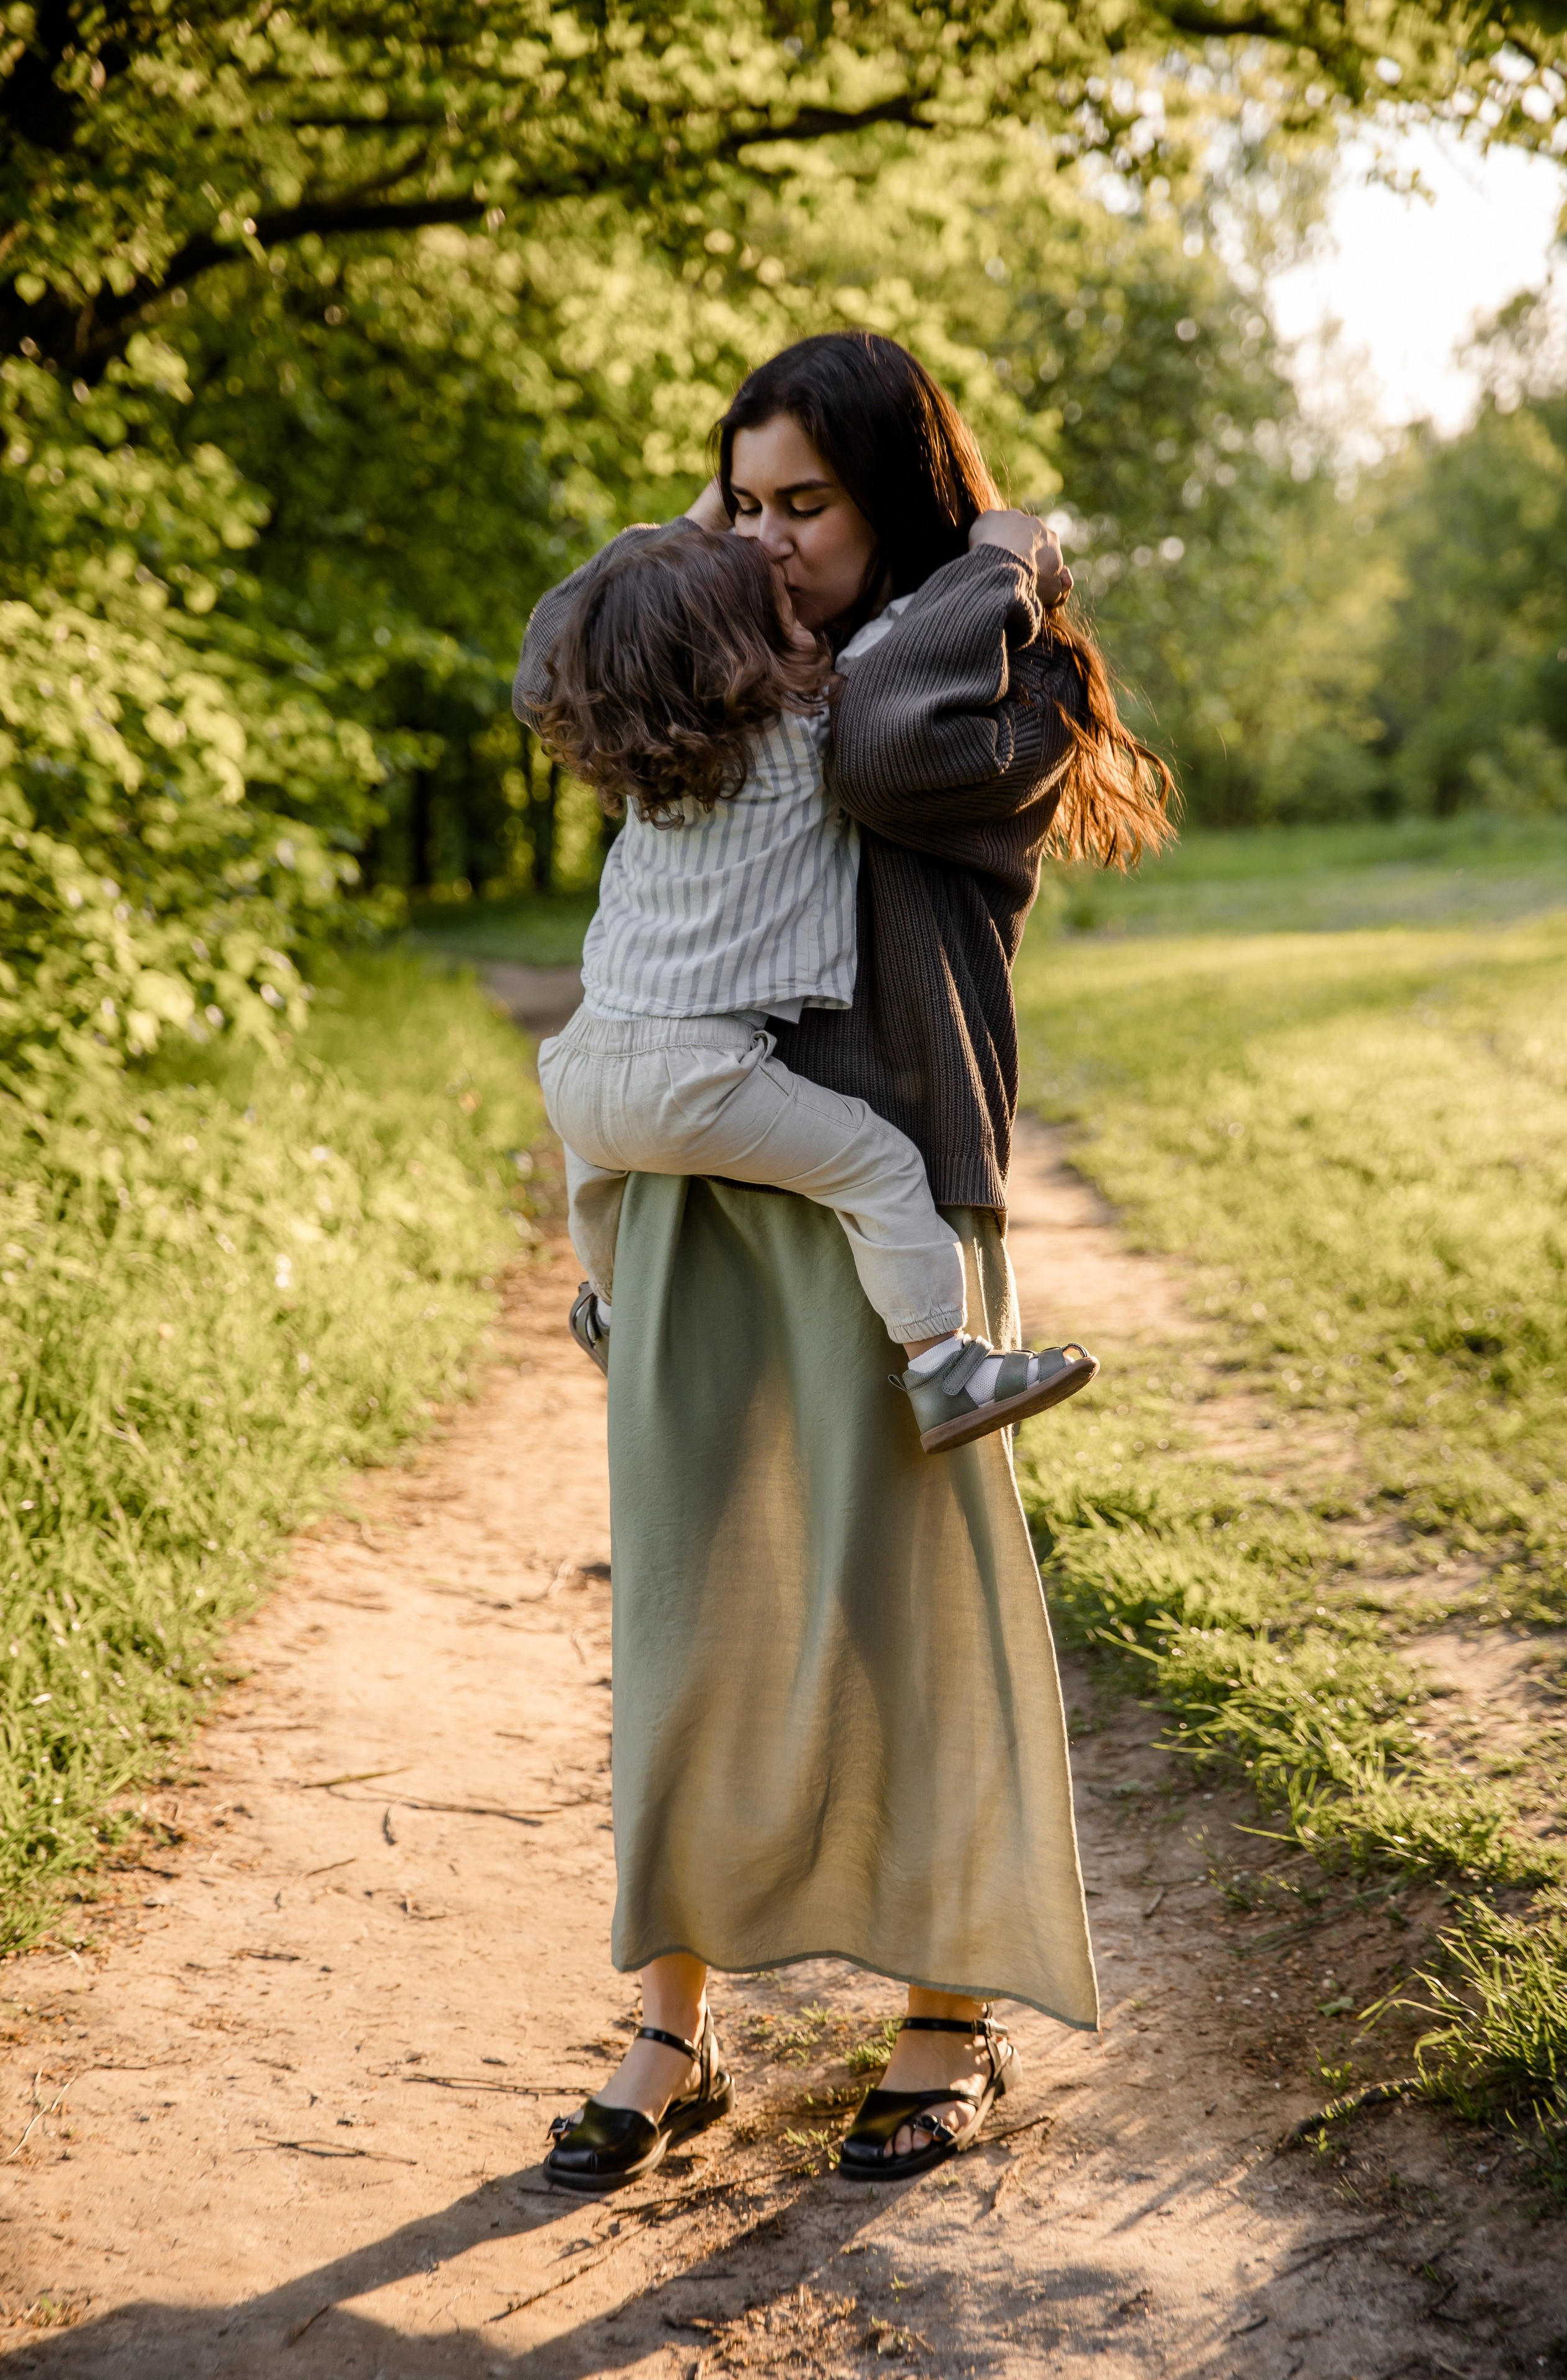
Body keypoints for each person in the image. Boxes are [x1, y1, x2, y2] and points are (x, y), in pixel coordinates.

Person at [512, 329, 1174, 2193]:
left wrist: (1004, 563)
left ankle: (945, 2016)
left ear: (901, 506)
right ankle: (674, 2024)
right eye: (741, 501)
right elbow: (592, 648)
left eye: (806, 504)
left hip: (890, 1204)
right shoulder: (729, 656)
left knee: (909, 1610)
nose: (765, 540)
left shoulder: (981, 682)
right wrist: (721, 551)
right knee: (690, 1608)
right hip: (700, 1183)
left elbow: (880, 755)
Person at [527, 517, 1099, 1455]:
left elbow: (579, 631)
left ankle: (615, 1315)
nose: (810, 630)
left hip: (578, 1069)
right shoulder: (808, 733)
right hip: (692, 1078)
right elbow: (905, 656)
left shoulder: (646, 766)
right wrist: (1003, 563)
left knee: (600, 1190)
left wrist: (694, 518)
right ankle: (945, 1367)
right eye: (786, 621)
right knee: (879, 1166)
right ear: (737, 663)